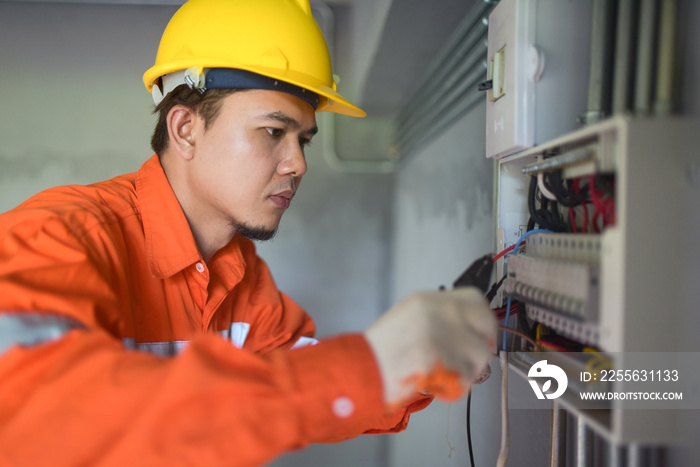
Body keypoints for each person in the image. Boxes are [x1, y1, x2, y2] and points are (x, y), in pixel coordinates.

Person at [0, 0, 496, 465]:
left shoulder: (240, 276)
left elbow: (309, 378)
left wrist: (422, 361)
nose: (299, 163)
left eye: (303, 139)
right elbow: (35, 418)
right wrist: (374, 365)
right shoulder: (58, 235)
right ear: (185, 129)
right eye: (273, 132)